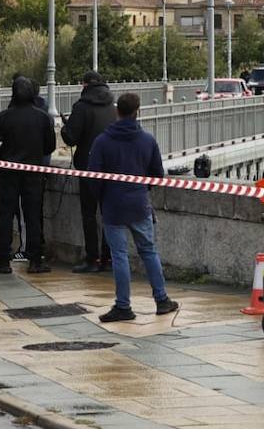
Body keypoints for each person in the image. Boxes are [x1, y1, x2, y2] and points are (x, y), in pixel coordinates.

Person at [86, 92, 178, 322]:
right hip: (139, 204)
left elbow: (93, 177)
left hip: (113, 205)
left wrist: (103, 197)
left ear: (118, 112)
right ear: (138, 112)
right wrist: (141, 190)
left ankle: (123, 306)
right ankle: (162, 300)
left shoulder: (103, 141)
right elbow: (157, 174)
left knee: (119, 255)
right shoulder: (147, 140)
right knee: (148, 251)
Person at [0, 75, 55, 274]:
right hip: (33, 173)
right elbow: (50, 146)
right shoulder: (43, 117)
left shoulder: (3, 117)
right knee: (33, 216)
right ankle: (35, 259)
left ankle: (3, 261)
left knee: (6, 216)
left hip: (9, 172)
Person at [62, 71, 117, 274]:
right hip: (111, 168)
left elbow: (71, 138)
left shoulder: (81, 107)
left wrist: (65, 128)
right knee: (107, 212)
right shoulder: (112, 106)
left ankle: (92, 258)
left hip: (88, 167)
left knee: (89, 214)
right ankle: (107, 257)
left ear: (84, 85)